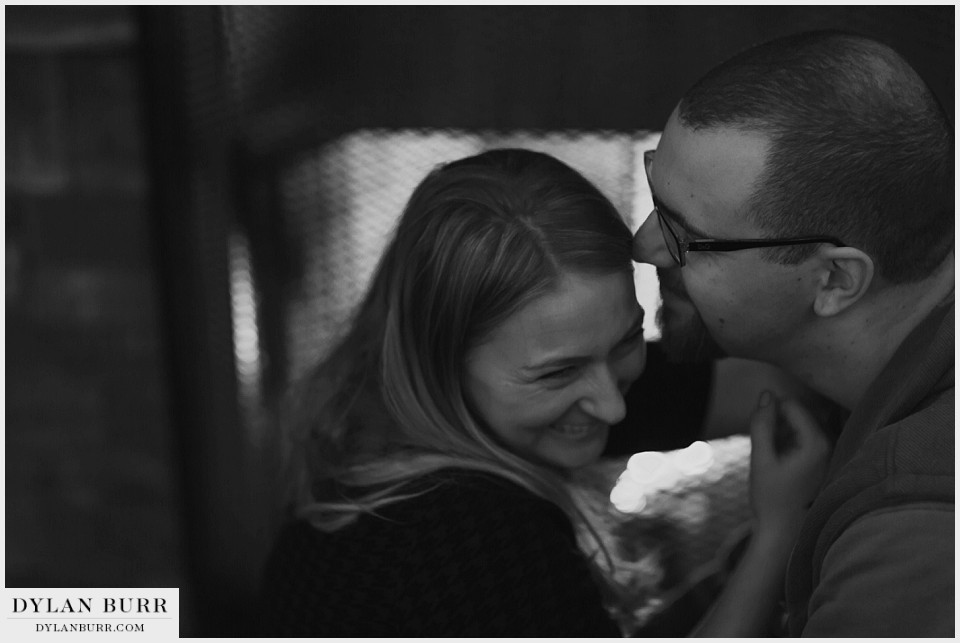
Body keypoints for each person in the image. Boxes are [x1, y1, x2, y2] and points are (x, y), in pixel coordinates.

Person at [259, 148, 830, 636]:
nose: (613, 404)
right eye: (560, 373)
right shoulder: (467, 534)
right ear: (443, 359)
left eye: (629, 339)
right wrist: (777, 531)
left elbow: (770, 389)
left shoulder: (422, 403)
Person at [632, 30, 954, 636]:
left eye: (682, 234)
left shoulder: (914, 532)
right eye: (654, 198)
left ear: (833, 279)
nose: (643, 245)